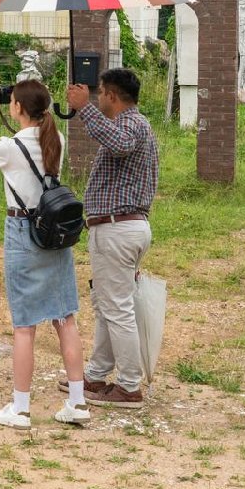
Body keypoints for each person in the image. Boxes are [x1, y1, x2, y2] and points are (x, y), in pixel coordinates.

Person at [0, 81, 90, 429]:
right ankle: (77, 401)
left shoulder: (10, 147)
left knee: (24, 326)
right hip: (55, 233)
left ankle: (20, 407)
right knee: (65, 318)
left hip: (22, 232)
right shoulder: (57, 140)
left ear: (17, 107)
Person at [66, 68, 159, 408]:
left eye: (100, 93)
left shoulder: (132, 125)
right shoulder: (131, 125)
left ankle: (129, 386)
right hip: (120, 228)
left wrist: (83, 108)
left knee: (118, 309)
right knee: (108, 306)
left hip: (118, 229)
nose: (98, 97)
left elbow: (118, 144)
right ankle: (96, 373)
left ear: (112, 96)